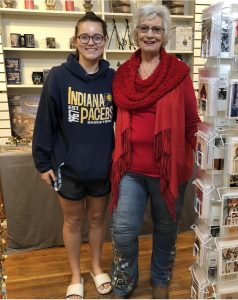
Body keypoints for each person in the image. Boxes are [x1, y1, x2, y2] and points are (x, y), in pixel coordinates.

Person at [110, 4, 200, 299]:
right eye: (145, 28)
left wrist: (209, 158)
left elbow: (191, 121)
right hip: (130, 170)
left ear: (165, 34)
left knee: (165, 229)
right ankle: (125, 280)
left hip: (168, 170)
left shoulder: (179, 73)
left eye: (157, 29)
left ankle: (160, 279)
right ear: (135, 32)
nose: (150, 34)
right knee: (123, 230)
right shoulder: (122, 74)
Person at [32, 12, 115, 299]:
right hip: (68, 168)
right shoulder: (58, 77)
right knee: (72, 222)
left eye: (97, 36)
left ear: (105, 41)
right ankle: (76, 274)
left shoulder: (114, 79)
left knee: (96, 220)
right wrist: (42, 163)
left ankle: (95, 266)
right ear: (75, 40)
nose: (91, 42)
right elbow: (45, 122)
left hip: (102, 167)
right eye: (85, 36)